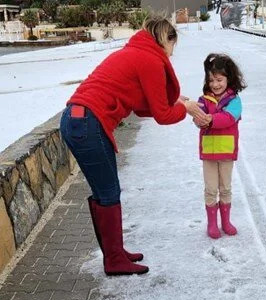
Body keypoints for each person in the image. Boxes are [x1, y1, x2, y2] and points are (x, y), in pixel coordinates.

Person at [61, 17, 206, 276]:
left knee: (105, 191)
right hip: (87, 123)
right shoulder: (149, 59)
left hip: (77, 119)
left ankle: (114, 253)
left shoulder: (135, 52)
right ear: (166, 39)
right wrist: (185, 108)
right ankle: (114, 260)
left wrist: (179, 103)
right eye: (173, 46)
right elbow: (163, 115)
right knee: (108, 192)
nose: (173, 53)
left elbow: (142, 108)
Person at [192, 53, 246, 239]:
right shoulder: (204, 99)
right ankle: (212, 224)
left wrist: (211, 119)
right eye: (211, 80)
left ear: (228, 79)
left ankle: (226, 221)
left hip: (226, 152)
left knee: (225, 187)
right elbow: (198, 116)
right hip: (208, 152)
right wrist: (199, 119)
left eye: (219, 80)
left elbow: (229, 118)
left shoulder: (234, 101)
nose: (215, 84)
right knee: (210, 189)